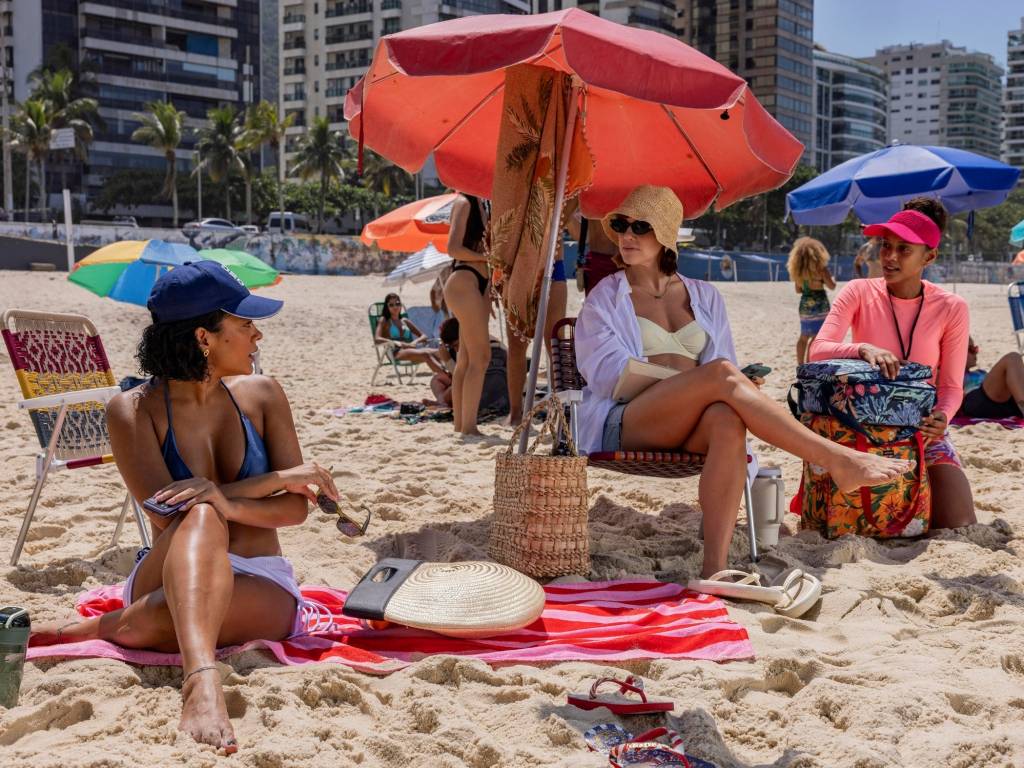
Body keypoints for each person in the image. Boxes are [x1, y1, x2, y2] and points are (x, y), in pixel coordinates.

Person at [31, 261, 339, 753]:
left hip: (259, 577)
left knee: (155, 620)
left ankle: (87, 629)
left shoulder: (262, 395)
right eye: (244, 324)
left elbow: (295, 512)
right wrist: (273, 481)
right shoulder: (132, 410)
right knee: (197, 513)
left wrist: (225, 498)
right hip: (170, 567)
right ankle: (202, 679)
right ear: (204, 337)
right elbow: (165, 515)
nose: (257, 334)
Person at [575, 185, 912, 579]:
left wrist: (716, 384)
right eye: (620, 225)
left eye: (640, 226)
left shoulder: (704, 296)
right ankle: (837, 459)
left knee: (726, 418)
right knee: (719, 378)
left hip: (689, 422)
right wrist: (701, 382)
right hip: (628, 420)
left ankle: (713, 570)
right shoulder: (605, 298)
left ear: (665, 234)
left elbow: (725, 367)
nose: (626, 235)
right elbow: (607, 376)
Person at [809, 198, 974, 528]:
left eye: (903, 249)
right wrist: (862, 348)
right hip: (860, 426)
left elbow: (952, 386)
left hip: (922, 430)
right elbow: (818, 350)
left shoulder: (952, 307)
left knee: (959, 522)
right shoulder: (858, 290)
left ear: (929, 256)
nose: (890, 256)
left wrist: (942, 416)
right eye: (886, 246)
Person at [443, 193, 491, 435]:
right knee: (481, 357)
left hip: (474, 281)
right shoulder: (463, 201)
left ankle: (461, 425)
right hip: (465, 279)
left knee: (466, 358)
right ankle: (469, 427)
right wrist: (486, 258)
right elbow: (452, 248)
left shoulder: (480, 203)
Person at [505, 253, 568, 426]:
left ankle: (559, 413)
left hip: (553, 262)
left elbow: (577, 232)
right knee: (517, 344)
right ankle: (515, 412)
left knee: (555, 343)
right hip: (520, 264)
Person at [427, 317, 510, 417]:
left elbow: (465, 378)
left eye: (456, 345)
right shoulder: (475, 342)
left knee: (454, 388)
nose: (456, 349)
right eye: (452, 347)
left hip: (492, 393)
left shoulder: (483, 347)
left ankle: (441, 402)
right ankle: (442, 401)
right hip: (483, 387)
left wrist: (448, 360)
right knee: (437, 378)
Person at [787, 236, 836, 366]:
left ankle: (800, 364)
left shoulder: (799, 270)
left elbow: (798, 290)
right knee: (816, 337)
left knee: (803, 336)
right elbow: (832, 286)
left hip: (805, 304)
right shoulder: (821, 269)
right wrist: (832, 278)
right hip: (820, 304)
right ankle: (809, 364)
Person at [374, 292, 445, 375]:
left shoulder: (405, 321)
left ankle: (444, 376)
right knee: (426, 354)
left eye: (397, 304)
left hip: (411, 349)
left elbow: (424, 336)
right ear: (387, 307)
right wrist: (397, 343)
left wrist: (414, 343)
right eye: (391, 305)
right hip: (395, 351)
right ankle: (447, 376)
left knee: (439, 352)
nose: (395, 307)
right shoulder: (384, 320)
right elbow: (377, 339)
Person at [959, 337, 1024, 419]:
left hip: (1003, 403)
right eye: (971, 349)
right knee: (1013, 358)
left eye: (976, 349)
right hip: (976, 402)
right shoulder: (948, 374)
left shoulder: (980, 372)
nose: (975, 353)